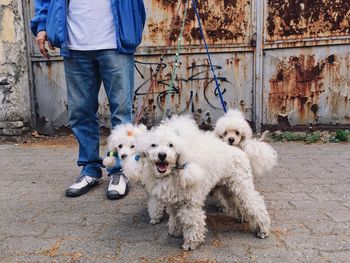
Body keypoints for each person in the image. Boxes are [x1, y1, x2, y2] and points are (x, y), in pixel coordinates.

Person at [30, 0, 146, 199]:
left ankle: (120, 170)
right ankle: (90, 169)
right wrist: (41, 26)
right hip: (75, 44)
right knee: (80, 111)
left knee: (121, 111)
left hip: (116, 41)